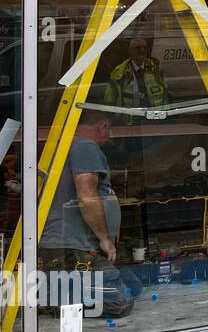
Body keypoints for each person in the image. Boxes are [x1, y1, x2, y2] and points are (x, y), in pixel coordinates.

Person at [38, 112, 141, 318]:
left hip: (65, 244)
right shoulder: (85, 147)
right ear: (103, 126)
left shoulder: (62, 146)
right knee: (117, 302)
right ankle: (60, 302)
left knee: (135, 286)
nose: (108, 136)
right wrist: (104, 239)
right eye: (109, 130)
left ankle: (58, 295)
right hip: (76, 247)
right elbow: (87, 196)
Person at [105, 36, 170, 112]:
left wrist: (166, 114)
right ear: (130, 51)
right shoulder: (119, 73)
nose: (142, 50)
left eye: (144, 47)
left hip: (155, 117)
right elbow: (109, 100)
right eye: (138, 47)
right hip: (131, 119)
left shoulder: (156, 68)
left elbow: (165, 94)